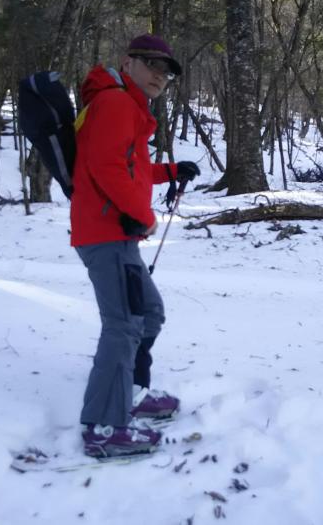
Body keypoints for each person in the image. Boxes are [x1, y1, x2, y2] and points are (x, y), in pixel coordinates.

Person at [70, 33, 200, 457]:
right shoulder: (116, 103)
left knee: (149, 312)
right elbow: (104, 165)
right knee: (124, 324)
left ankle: (132, 391)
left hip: (113, 232)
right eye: (152, 65)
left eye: (166, 71)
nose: (160, 75)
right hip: (106, 234)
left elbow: (131, 167)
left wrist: (170, 171)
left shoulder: (127, 105)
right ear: (129, 63)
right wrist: (143, 215)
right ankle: (104, 427)